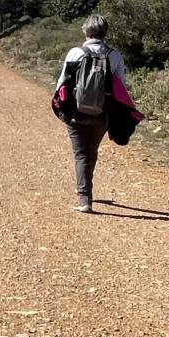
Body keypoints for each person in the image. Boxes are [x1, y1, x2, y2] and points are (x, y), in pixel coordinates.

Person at [52, 14, 130, 213]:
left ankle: (84, 198)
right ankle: (86, 189)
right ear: (105, 31)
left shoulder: (75, 53)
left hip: (76, 113)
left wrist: (61, 107)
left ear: (86, 31)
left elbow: (62, 83)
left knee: (80, 154)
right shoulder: (115, 56)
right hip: (103, 113)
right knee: (91, 151)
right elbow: (120, 86)